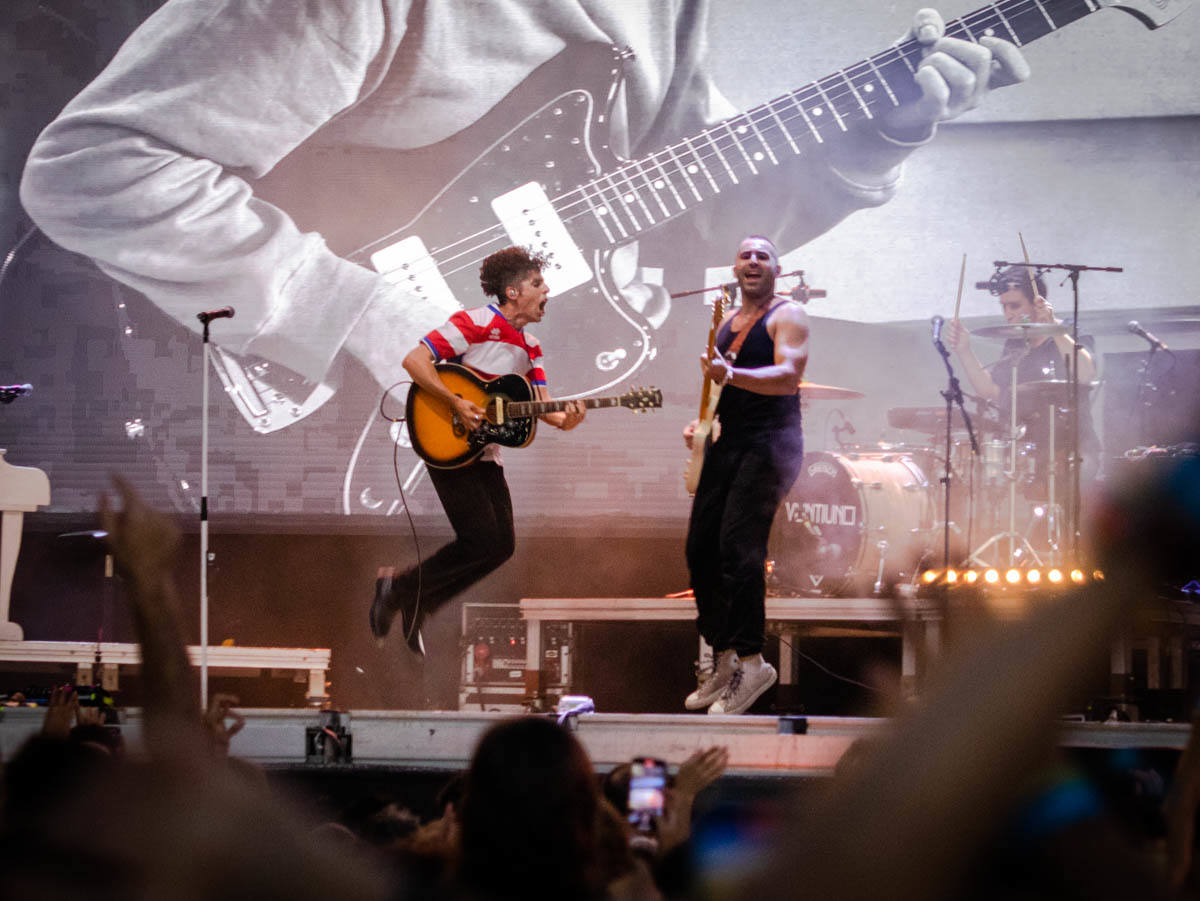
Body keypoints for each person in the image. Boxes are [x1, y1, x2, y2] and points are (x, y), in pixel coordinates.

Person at [19, 3, 1030, 413]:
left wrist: (870, 143)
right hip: (190, 408)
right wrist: (357, 310)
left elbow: (688, 210)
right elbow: (93, 163)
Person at [369, 246, 585, 657]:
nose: (547, 291)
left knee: (501, 546)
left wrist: (567, 419)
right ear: (512, 290)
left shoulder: (531, 346)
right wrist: (454, 401)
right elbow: (416, 361)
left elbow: (543, 407)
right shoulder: (475, 322)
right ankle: (399, 589)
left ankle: (418, 598)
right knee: (481, 537)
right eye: (538, 284)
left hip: (484, 451)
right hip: (446, 440)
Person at [682, 235, 807, 715]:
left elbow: (789, 375)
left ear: (776, 268)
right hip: (730, 442)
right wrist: (703, 426)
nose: (753, 261)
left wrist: (729, 376)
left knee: (739, 546)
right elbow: (719, 393)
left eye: (763, 255)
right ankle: (726, 656)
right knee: (699, 549)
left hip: (773, 444)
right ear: (734, 269)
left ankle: (755, 663)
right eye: (745, 255)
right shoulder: (727, 324)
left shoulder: (788, 314)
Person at [944, 265, 1100, 497]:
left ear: (1038, 302)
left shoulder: (1070, 331)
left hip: (1073, 449)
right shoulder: (1016, 343)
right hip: (1030, 450)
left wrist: (1055, 330)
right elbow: (991, 390)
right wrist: (965, 351)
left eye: (1015, 305)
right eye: (1004, 306)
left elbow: (1086, 374)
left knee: (1064, 512)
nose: (1009, 313)